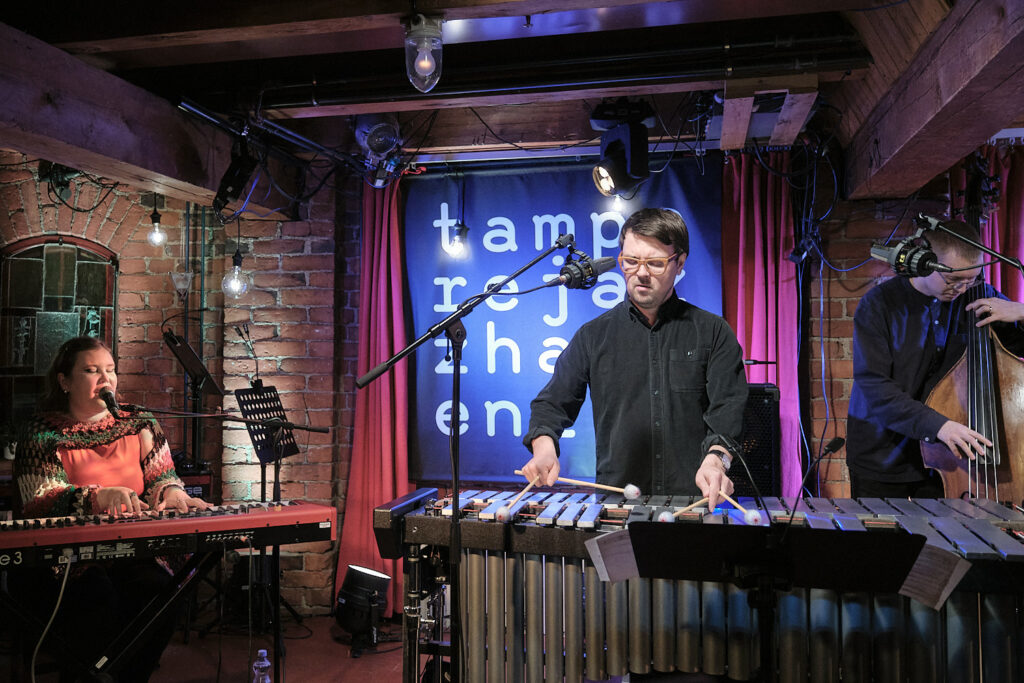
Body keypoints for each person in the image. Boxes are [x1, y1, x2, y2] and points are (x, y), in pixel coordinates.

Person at [10, 335, 211, 682]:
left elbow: (162, 476)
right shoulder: (41, 432)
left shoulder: (139, 422)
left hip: (131, 549)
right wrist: (97, 497)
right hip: (68, 560)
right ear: (64, 381)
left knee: (159, 592)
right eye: (91, 370)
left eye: (111, 370)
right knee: (95, 600)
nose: (106, 380)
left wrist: (174, 493)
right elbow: (38, 498)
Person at [520, 208, 749, 508]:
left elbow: (728, 409)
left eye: (655, 263)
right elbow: (551, 404)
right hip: (617, 507)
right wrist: (544, 447)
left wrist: (716, 460)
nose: (641, 273)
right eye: (630, 262)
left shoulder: (714, 332)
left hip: (694, 504)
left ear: (680, 263)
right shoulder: (593, 336)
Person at [847, 220, 1024, 498]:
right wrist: (939, 426)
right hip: (884, 454)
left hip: (948, 462)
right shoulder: (879, 305)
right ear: (925, 264)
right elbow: (876, 388)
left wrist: (1021, 312)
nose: (964, 289)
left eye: (972, 278)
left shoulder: (981, 297)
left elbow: (1016, 350)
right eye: (954, 280)